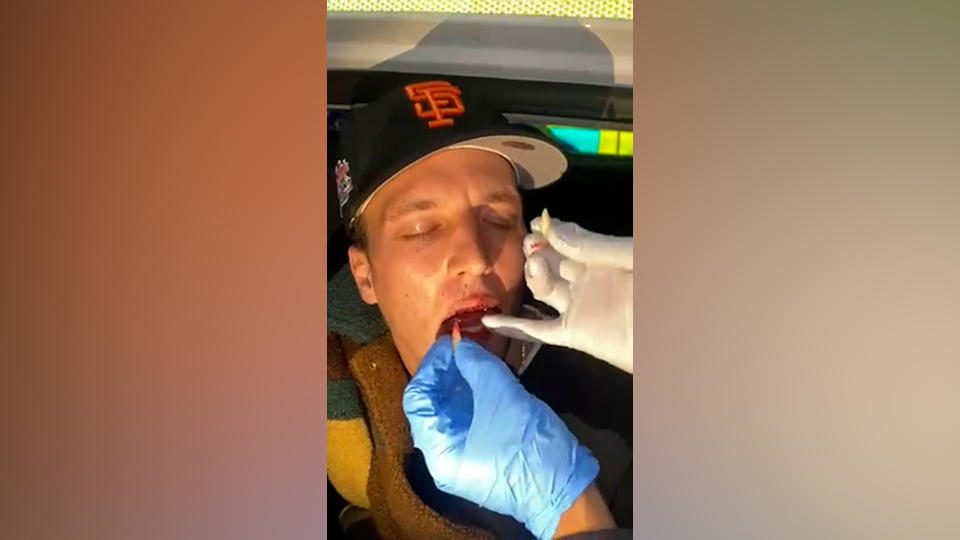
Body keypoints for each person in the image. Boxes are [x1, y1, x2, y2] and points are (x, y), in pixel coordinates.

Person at [325, 80, 632, 539]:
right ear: (365, 276)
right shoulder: (338, 397)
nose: (475, 255)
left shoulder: (622, 410)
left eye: (498, 219)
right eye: (422, 228)